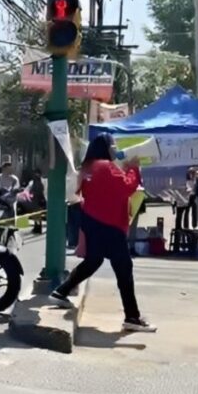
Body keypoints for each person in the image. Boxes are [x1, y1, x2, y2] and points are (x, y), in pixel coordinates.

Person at [49, 133, 156, 332]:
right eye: (113, 146)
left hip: (92, 221)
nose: (115, 150)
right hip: (110, 224)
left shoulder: (89, 168)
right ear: (106, 148)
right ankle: (132, 316)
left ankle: (61, 291)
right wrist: (133, 168)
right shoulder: (106, 167)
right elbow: (126, 187)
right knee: (124, 267)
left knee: (94, 260)